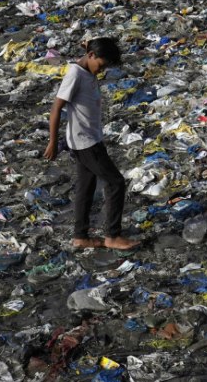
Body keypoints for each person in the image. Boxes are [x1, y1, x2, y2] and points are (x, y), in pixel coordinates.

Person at [43, 38, 140, 250]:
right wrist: (52, 142)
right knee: (116, 183)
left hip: (88, 138)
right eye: (101, 65)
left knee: (86, 187)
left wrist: (87, 47)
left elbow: (90, 53)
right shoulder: (75, 75)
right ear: (92, 57)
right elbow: (56, 108)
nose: (102, 71)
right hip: (85, 142)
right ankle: (112, 235)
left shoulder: (87, 65)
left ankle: (81, 237)